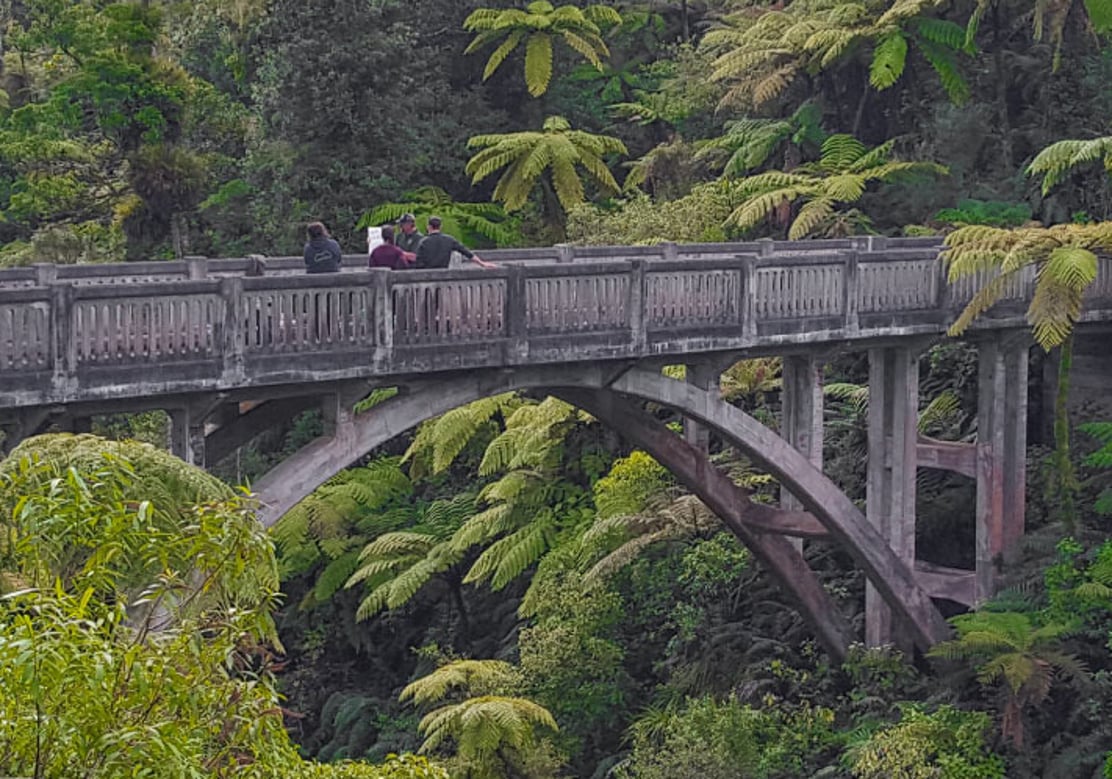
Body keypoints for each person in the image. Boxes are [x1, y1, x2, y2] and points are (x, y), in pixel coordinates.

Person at [415, 216, 495, 269]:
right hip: (443, 273)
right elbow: (466, 252)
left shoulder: (423, 242)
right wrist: (482, 263)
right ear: (440, 227)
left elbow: (418, 261)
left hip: (427, 274)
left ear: (429, 227)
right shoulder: (449, 240)